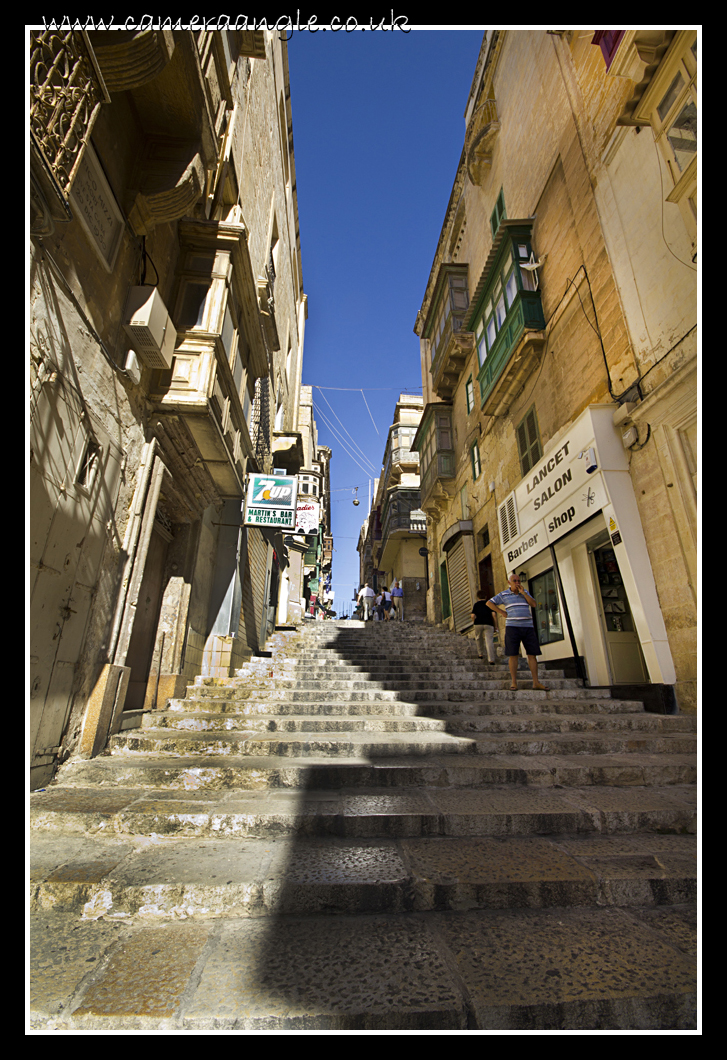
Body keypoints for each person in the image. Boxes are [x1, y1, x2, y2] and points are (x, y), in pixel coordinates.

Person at [487, 572, 546, 691]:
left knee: (532, 654)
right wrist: (502, 612)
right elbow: (489, 603)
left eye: (518, 581)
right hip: (512, 627)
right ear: (509, 583)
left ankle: (536, 682)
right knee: (513, 655)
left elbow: (534, 604)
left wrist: (524, 593)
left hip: (528, 627)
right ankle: (514, 682)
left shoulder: (525, 593)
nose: (517, 583)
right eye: (515, 581)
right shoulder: (504, 594)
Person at [470, 589, 496, 664]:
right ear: (486, 596)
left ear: (478, 597)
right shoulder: (489, 604)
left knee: (478, 638)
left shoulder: (476, 604)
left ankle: (480, 654)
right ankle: (491, 659)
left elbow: (472, 615)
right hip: (488, 624)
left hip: (478, 623)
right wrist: (495, 625)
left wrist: (474, 622)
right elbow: (493, 614)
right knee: (489, 641)